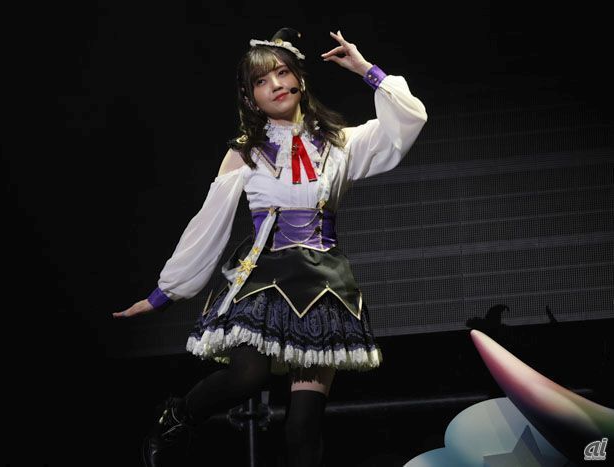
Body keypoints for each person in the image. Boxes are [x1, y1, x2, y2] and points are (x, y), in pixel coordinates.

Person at [112, 26, 427, 467]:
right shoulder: (246, 153)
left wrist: (364, 69)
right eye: (262, 80)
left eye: (282, 73)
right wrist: (163, 294)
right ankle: (177, 416)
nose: (276, 84)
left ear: (300, 79)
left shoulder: (341, 143)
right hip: (265, 284)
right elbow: (209, 226)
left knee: (302, 427)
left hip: (323, 289)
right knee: (247, 375)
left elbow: (408, 119)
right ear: (250, 97)